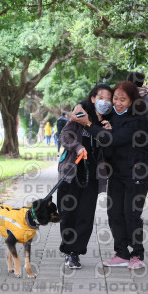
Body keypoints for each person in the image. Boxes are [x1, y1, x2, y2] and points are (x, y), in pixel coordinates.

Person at [72, 81, 148, 270]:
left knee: (131, 213)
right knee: (114, 212)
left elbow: (111, 139)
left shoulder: (137, 119)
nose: (117, 103)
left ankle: (137, 254)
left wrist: (89, 124)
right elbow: (92, 104)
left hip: (137, 171)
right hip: (117, 172)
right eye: (115, 98)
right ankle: (121, 253)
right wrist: (79, 107)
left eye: (122, 100)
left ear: (132, 101)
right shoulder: (113, 116)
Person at [57, 84, 113, 269]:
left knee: (85, 215)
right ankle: (68, 249)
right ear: (93, 99)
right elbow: (64, 136)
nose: (105, 102)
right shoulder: (80, 115)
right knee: (68, 214)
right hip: (71, 172)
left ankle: (75, 252)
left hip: (93, 175)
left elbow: (110, 148)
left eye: (108, 99)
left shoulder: (108, 122)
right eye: (101, 97)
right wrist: (78, 147)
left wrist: (108, 132)